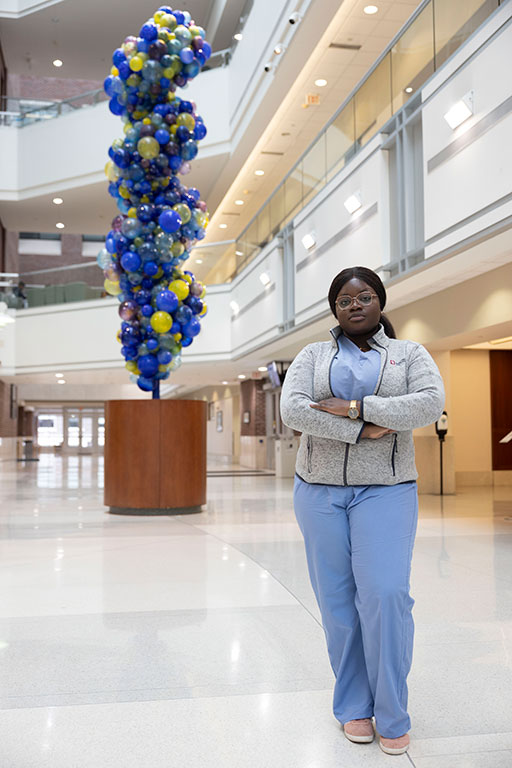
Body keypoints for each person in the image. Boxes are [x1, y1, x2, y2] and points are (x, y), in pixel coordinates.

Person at [280, 266, 444, 755]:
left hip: (387, 489)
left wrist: (353, 408)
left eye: (365, 296)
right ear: (335, 308)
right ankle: (354, 704)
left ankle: (393, 711)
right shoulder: (312, 355)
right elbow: (294, 410)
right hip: (319, 491)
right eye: (345, 299)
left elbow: (428, 404)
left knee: (387, 595)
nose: (355, 305)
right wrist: (359, 431)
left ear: (380, 302)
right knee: (337, 604)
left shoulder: (408, 354)